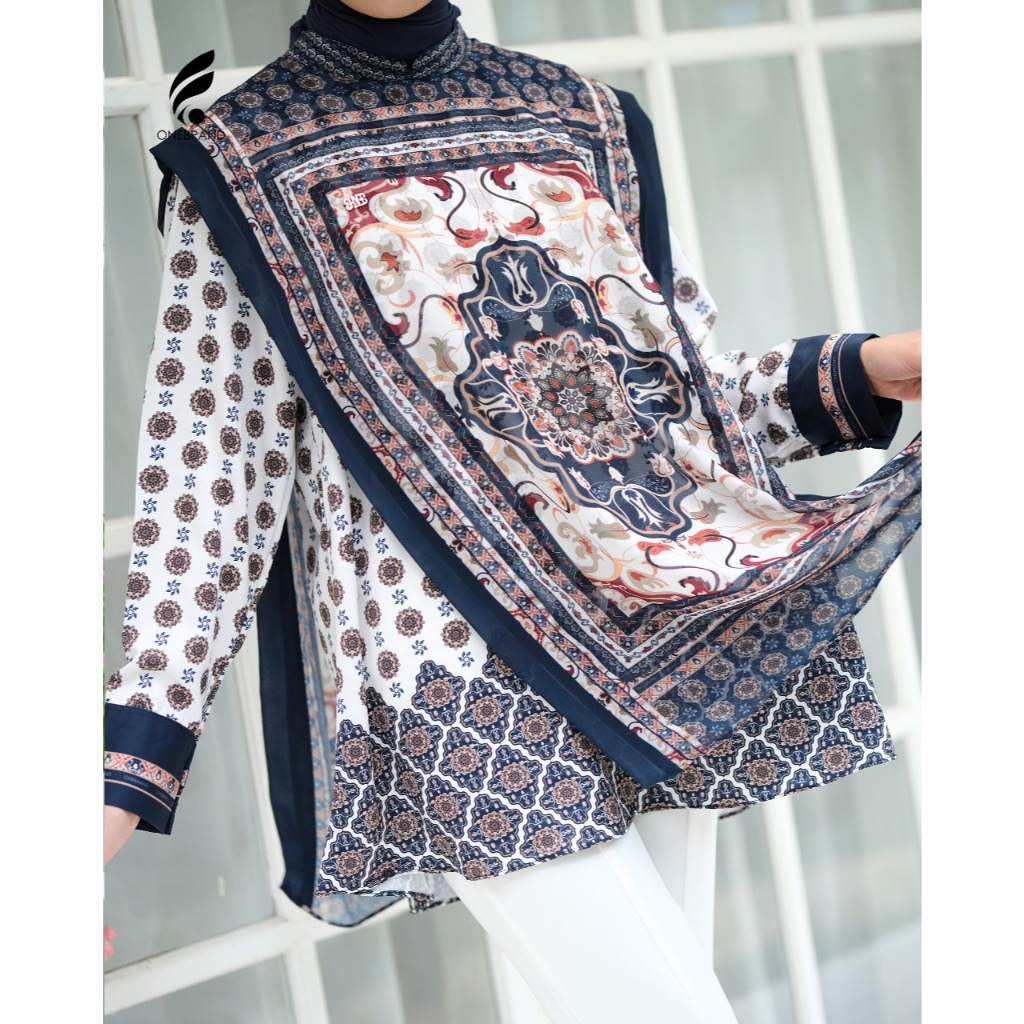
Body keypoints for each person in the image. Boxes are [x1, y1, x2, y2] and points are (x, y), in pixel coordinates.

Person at [103, 1, 922, 1019]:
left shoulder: (580, 121)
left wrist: (863, 369)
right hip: (450, 672)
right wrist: (124, 772)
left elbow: (675, 411)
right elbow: (210, 489)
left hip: (646, 631)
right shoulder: (238, 161)